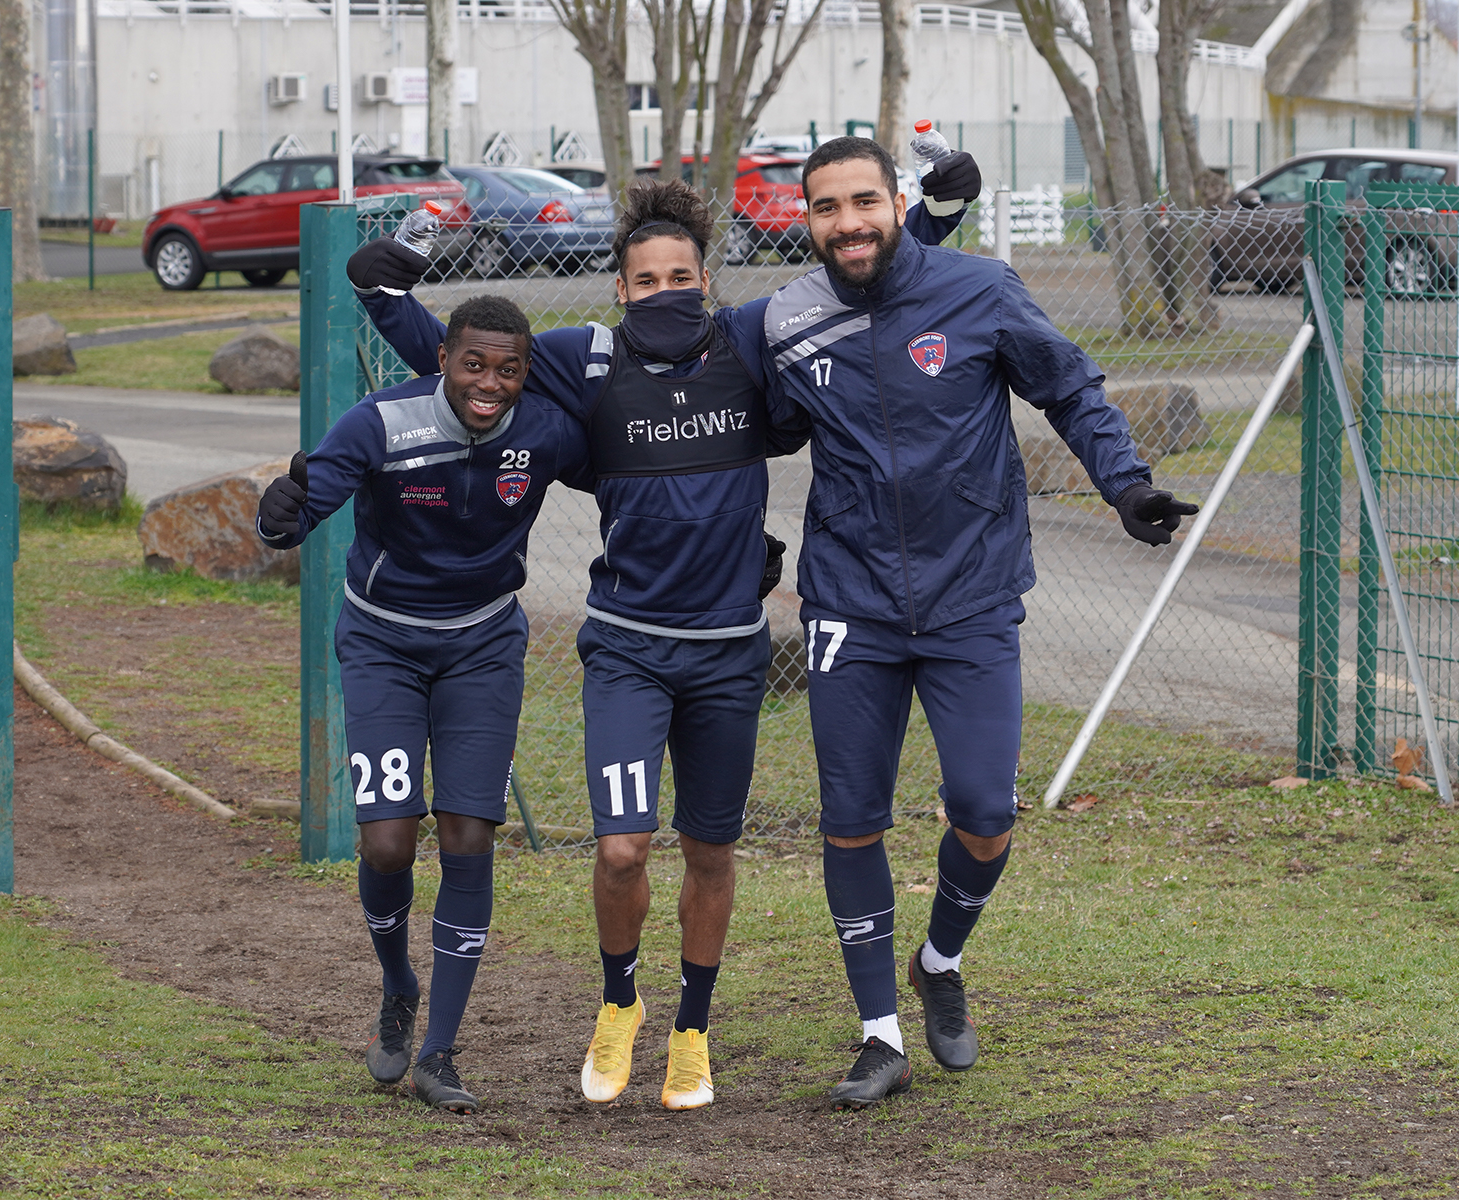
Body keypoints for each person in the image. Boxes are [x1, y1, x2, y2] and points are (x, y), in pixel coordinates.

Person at [345, 155, 984, 1111]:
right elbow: (464, 359)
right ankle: (619, 1004)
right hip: (626, 648)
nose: (664, 292)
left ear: (706, 283)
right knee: (620, 850)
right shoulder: (585, 357)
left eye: (680, 278)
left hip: (729, 652)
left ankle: (692, 1029)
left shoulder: (750, 344)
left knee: (711, 852)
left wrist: (935, 214)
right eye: (646, 280)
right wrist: (401, 266)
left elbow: (863, 288)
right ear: (619, 287)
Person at [758, 138, 1199, 1108]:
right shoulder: (785, 320)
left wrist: (1123, 486)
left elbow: (1071, 387)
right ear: (808, 219)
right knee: (850, 821)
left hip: (972, 602)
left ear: (894, 199)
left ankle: (939, 961)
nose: (848, 222)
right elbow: (726, 420)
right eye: (826, 208)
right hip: (850, 608)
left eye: (863, 201)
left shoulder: (979, 291)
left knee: (986, 811)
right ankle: (879, 1037)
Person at [255, 295, 594, 1113]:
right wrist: (282, 514)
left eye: (508, 369)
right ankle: (399, 983)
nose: (490, 383)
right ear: (442, 357)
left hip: (483, 645)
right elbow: (306, 505)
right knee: (386, 844)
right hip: (383, 644)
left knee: (470, 834)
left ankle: (439, 1052)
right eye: (474, 363)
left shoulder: (545, 431)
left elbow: (631, 479)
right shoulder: (382, 422)